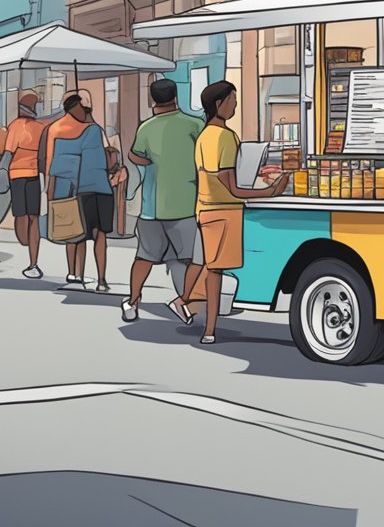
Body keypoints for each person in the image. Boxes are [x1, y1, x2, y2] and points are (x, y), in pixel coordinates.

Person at [180, 81, 286, 345]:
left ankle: (187, 305)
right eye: (233, 100)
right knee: (216, 271)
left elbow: (218, 178)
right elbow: (232, 187)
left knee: (210, 264)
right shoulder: (225, 137)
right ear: (219, 104)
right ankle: (208, 328)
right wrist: (270, 191)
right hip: (223, 211)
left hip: (206, 208)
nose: (236, 105)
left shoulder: (205, 135)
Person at [122, 79, 205, 323]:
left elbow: (136, 156)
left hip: (152, 207)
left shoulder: (146, 128)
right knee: (190, 259)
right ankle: (185, 303)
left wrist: (141, 160)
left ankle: (132, 301)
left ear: (152, 99)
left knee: (144, 257)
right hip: (187, 205)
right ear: (175, 97)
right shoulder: (195, 124)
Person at [45, 92, 118, 290]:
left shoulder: (57, 131)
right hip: (99, 187)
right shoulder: (94, 130)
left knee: (75, 233)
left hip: (76, 188)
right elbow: (110, 160)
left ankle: (75, 273)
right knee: (98, 234)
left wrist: (50, 191)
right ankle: (100, 280)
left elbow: (53, 164)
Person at [3, 92, 48, 278]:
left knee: (20, 214)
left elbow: (8, 153)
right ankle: (33, 258)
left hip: (17, 175)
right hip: (34, 175)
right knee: (34, 217)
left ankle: (25, 242)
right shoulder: (41, 127)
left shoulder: (15, 126)